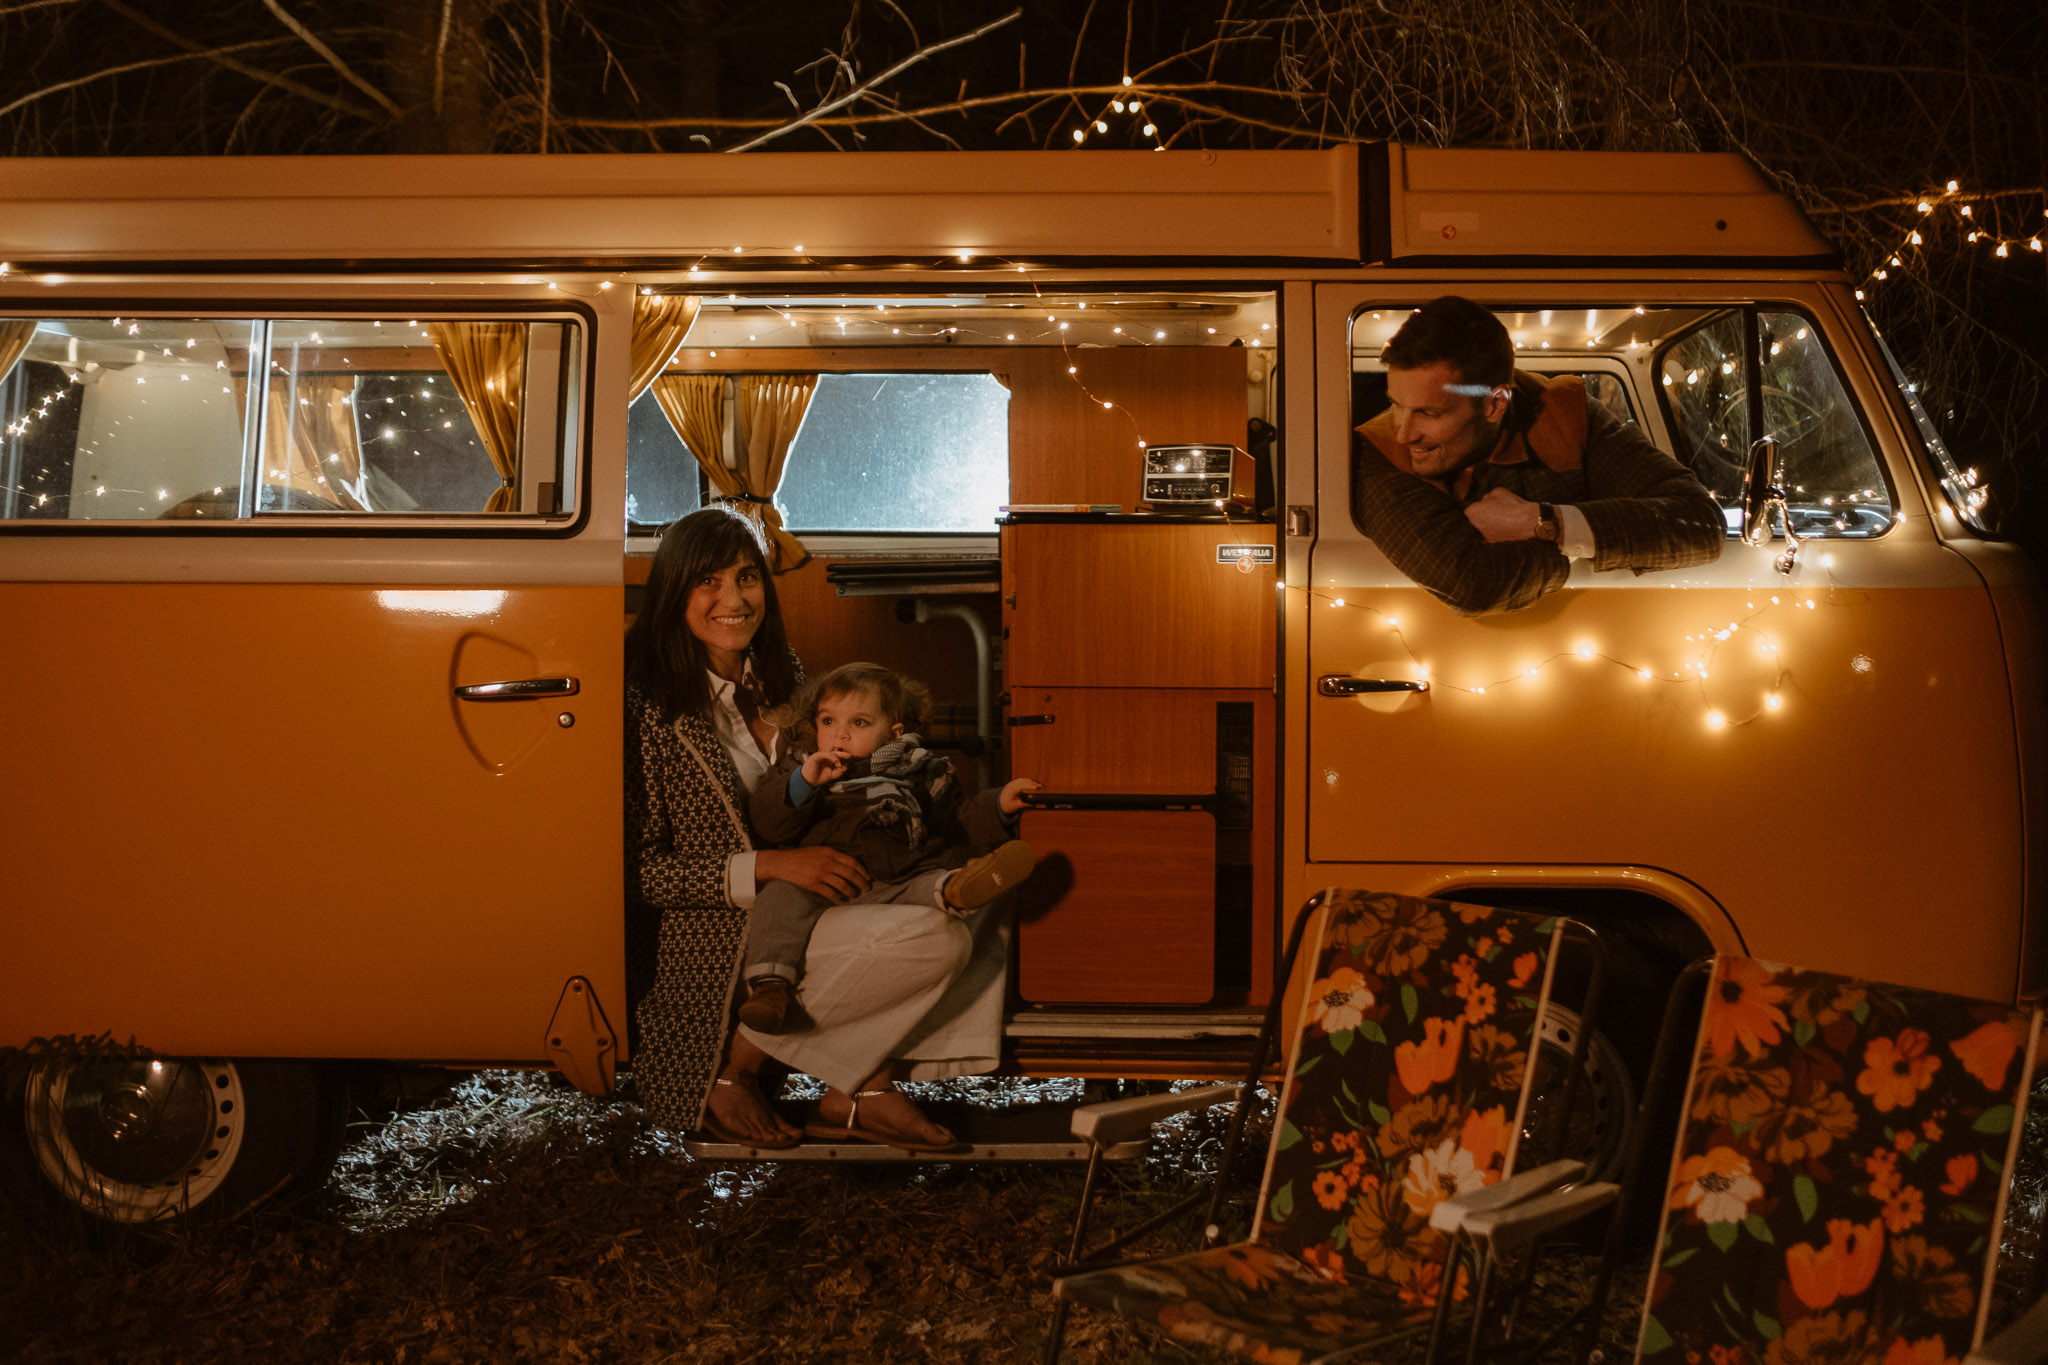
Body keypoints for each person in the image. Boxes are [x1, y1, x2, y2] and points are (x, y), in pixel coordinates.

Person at [625, 505, 1012, 1152]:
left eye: (747, 578)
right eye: (708, 583)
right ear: (673, 591)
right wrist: (772, 868)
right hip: (734, 925)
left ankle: (861, 1088)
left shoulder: (781, 674)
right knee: (935, 938)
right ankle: (740, 1072)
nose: (733, 599)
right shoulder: (647, 707)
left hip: (828, 874)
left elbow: (841, 771)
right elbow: (641, 873)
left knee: (985, 900)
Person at [1352, 296, 1724, 616]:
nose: (1404, 432)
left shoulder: (1564, 411)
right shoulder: (1378, 448)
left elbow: (1702, 526)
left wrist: (1546, 522)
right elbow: (1472, 583)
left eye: (1428, 414)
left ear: (1495, 404)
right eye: (1396, 406)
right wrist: (1582, 552)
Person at [738, 661, 1038, 1038]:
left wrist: (998, 804)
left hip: (899, 878)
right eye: (828, 721)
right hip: (822, 885)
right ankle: (770, 988)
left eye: (859, 723)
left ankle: (957, 889)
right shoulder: (800, 764)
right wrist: (803, 784)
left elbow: (954, 821)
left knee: (931, 880)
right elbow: (767, 821)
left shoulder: (920, 768)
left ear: (893, 732)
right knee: (778, 898)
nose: (839, 735)